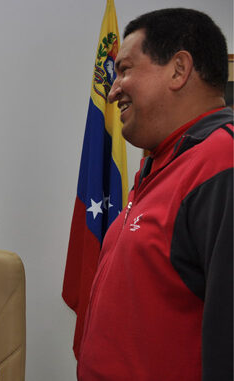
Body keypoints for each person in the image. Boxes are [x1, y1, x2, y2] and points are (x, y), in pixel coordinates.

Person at [77, 8, 233, 381]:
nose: (113, 90)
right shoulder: (162, 163)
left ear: (179, 70)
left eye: (126, 69)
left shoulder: (221, 164)